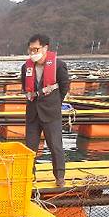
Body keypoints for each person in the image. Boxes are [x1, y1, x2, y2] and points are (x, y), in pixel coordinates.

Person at [21, 34, 70, 187]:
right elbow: (25, 86)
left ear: (45, 48)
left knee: (55, 145)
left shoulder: (58, 65)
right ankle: (30, 175)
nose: (33, 53)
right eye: (30, 50)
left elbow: (64, 87)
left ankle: (59, 176)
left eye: (36, 49)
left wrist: (54, 103)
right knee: (30, 146)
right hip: (32, 113)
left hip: (51, 112)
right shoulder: (25, 67)